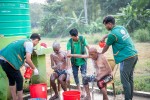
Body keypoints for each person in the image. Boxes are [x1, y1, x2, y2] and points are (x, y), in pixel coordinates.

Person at [101, 16, 138, 100]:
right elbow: (112, 34)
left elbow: (106, 47)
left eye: (105, 25)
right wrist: (104, 36)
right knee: (130, 79)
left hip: (126, 58)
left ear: (110, 24)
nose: (105, 27)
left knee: (125, 81)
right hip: (134, 55)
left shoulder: (112, 35)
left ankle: (128, 99)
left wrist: (100, 53)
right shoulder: (121, 28)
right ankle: (130, 97)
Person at [0, 33, 40, 100]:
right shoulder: (30, 44)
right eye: (38, 42)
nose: (36, 44)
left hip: (2, 58)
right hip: (9, 60)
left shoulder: (24, 40)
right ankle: (20, 99)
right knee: (19, 80)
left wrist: (25, 64)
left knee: (12, 79)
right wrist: (35, 68)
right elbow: (28, 59)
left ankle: (14, 98)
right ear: (36, 40)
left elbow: (17, 53)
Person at [67, 28, 89, 96]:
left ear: (77, 34)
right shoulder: (69, 42)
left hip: (83, 60)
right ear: (71, 36)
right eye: (74, 36)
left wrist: (91, 54)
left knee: (84, 75)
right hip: (74, 61)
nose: (76, 37)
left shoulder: (82, 39)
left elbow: (88, 47)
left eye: (77, 36)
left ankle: (84, 90)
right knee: (75, 75)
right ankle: (79, 89)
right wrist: (68, 67)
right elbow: (69, 54)